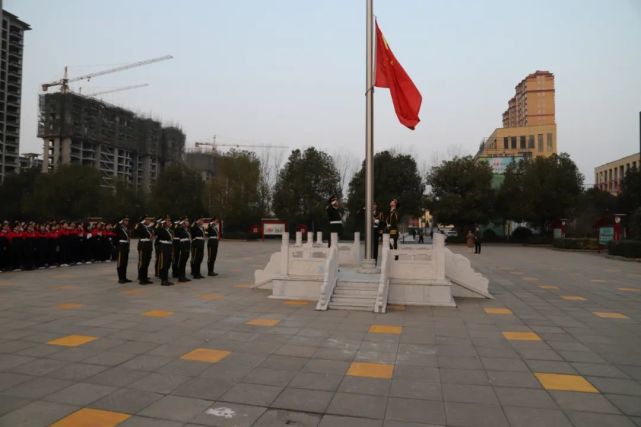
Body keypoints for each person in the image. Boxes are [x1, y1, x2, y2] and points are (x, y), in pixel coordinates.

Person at [134, 215, 154, 285]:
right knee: (142, 262)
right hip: (143, 245)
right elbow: (136, 230)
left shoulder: (148, 227)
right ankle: (141, 278)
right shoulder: (140, 226)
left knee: (146, 262)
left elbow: (151, 235)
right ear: (144, 221)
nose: (149, 221)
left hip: (148, 245)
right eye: (147, 219)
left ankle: (145, 277)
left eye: (149, 219)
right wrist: (141, 222)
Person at [156, 216, 175, 286]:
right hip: (163, 247)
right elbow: (156, 231)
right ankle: (163, 280)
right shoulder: (161, 229)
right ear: (163, 222)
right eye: (167, 220)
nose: (169, 222)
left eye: (169, 220)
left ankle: (166, 279)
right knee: (163, 264)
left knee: (168, 264)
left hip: (169, 247)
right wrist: (160, 224)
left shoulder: (170, 230)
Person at [115, 216, 132, 283]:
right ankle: (120, 278)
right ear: (122, 221)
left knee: (125, 263)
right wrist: (119, 223)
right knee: (120, 263)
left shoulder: (126, 228)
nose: (127, 222)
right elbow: (114, 228)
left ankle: (124, 277)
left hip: (125, 246)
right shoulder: (119, 227)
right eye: (125, 220)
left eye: (128, 220)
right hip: (121, 246)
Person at [175, 217, 192, 282]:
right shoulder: (179, 229)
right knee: (181, 262)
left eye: (187, 221)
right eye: (186, 221)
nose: (188, 222)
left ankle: (183, 276)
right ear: (183, 222)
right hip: (182, 247)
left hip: (187, 246)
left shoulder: (187, 230)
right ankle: (180, 277)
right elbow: (177, 232)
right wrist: (181, 224)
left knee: (184, 262)